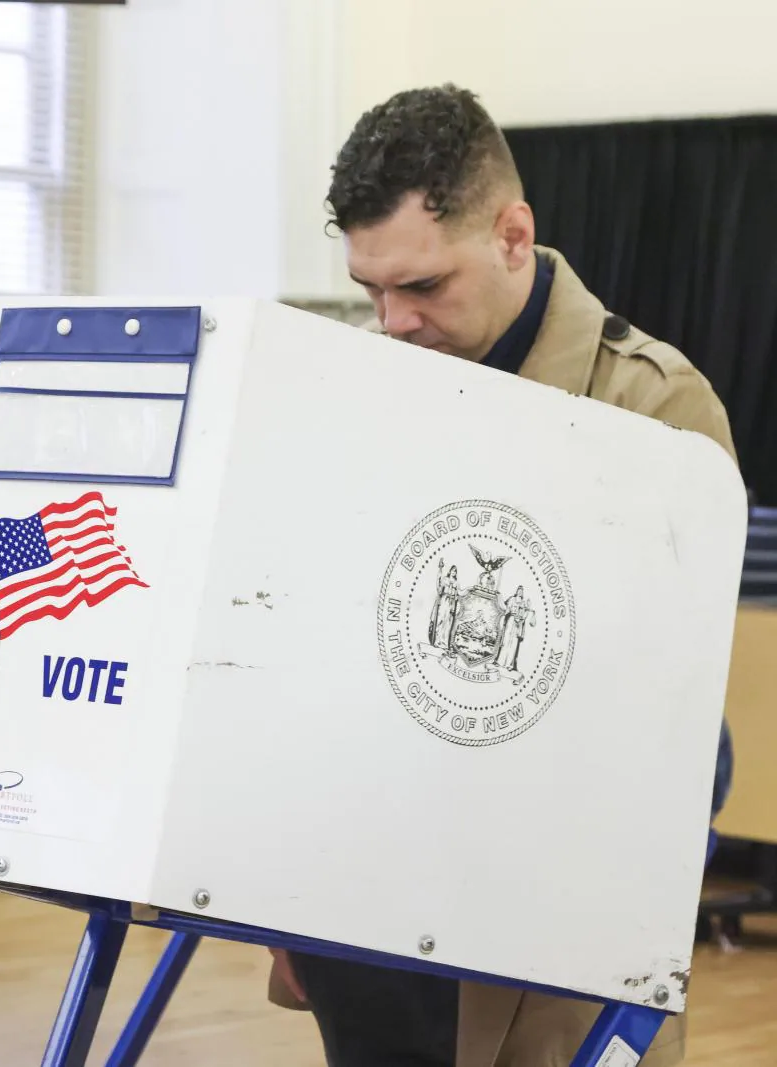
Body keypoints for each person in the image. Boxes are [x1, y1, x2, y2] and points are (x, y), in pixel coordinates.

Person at [266, 85, 737, 1067]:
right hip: (363, 894)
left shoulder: (652, 411)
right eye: (370, 290)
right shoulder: (356, 386)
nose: (391, 320)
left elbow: (665, 709)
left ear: (513, 234)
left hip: (542, 923)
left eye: (423, 286)